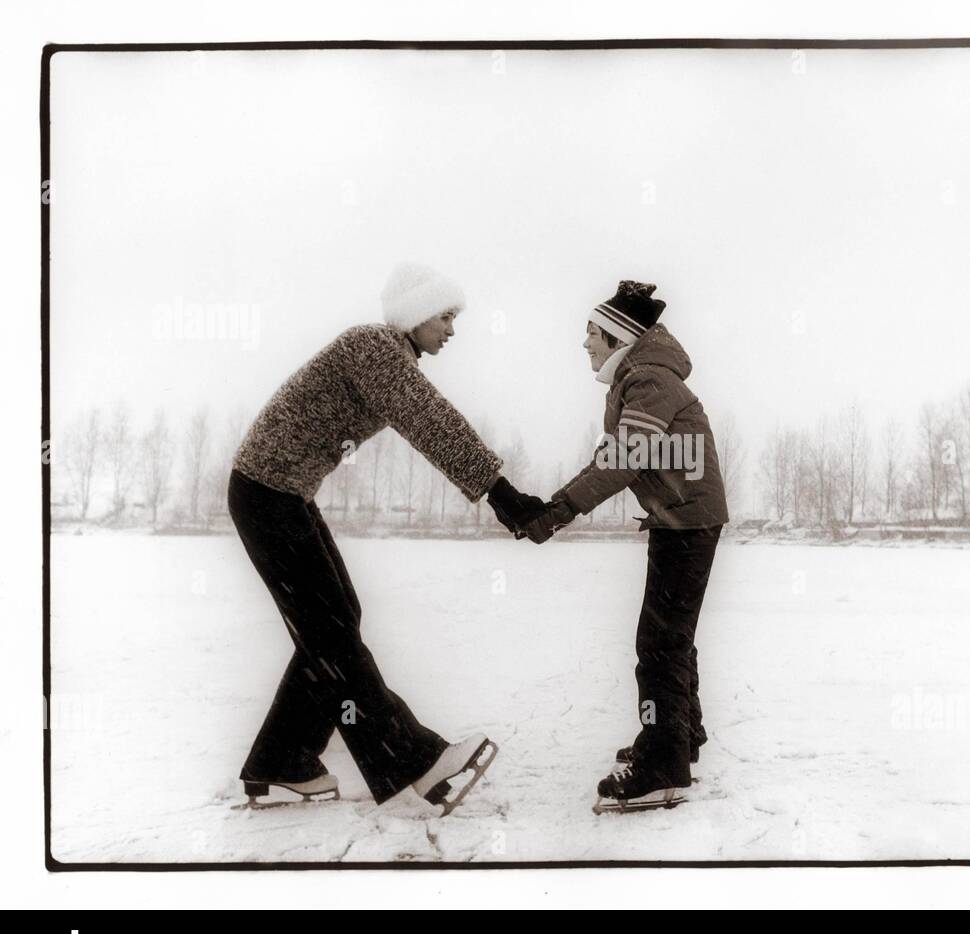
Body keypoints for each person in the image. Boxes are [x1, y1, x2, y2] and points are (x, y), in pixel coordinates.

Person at [228, 262, 546, 811]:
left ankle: (282, 761)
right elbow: (429, 419)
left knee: (334, 625)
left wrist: (499, 493)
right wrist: (500, 492)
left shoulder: (387, 355)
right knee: (331, 633)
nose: (451, 329)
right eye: (445, 316)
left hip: (282, 496)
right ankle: (410, 764)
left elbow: (424, 415)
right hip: (266, 496)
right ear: (415, 314)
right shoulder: (374, 347)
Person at [518, 281, 729, 812]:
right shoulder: (640, 379)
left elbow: (621, 460)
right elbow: (616, 453)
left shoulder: (650, 379)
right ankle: (679, 738)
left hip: (686, 522)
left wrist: (559, 509)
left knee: (660, 642)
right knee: (670, 636)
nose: (584, 343)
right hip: (680, 519)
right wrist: (559, 504)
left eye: (591, 333)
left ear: (617, 336)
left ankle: (662, 766)